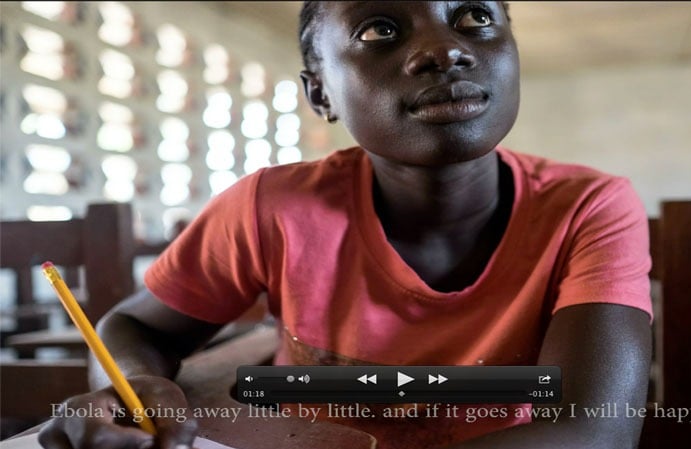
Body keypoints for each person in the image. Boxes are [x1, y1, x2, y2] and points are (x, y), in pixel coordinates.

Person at [38, 2, 652, 448]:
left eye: (475, 18)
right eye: (379, 29)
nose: (446, 48)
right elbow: (138, 324)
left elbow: (593, 427)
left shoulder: (588, 206)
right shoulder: (271, 207)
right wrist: (142, 385)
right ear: (320, 94)